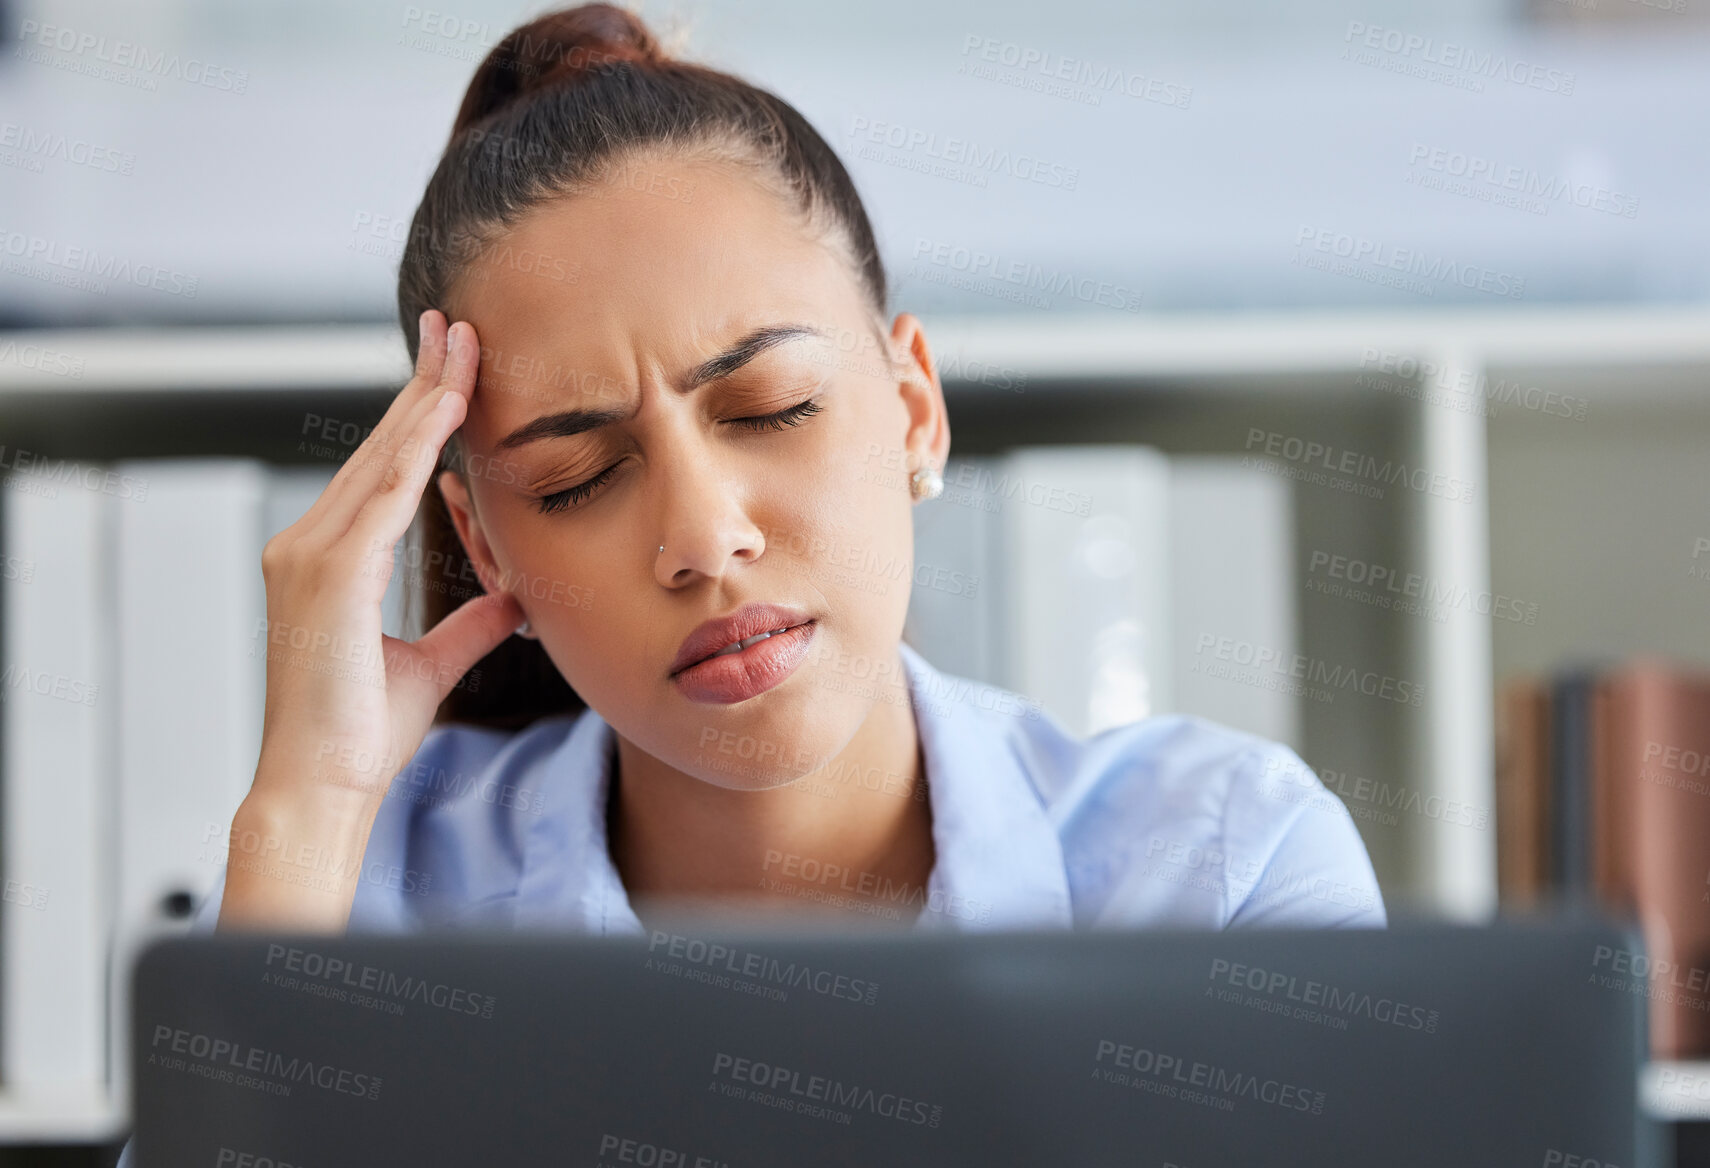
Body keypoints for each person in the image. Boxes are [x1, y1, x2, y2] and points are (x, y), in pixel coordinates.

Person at [116, 4, 1381, 1159]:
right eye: (572, 479)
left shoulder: (1222, 874)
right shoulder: (362, 913)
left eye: (771, 407)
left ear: (913, 411)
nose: (703, 536)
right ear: (485, 541)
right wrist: (304, 810)